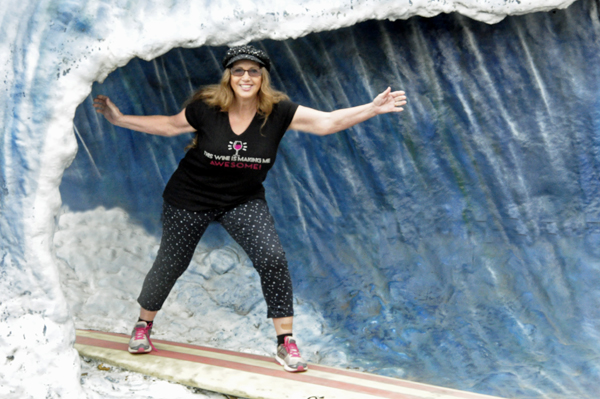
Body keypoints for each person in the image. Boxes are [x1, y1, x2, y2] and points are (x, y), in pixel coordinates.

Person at [93, 44, 407, 373]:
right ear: (228, 76)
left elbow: (326, 123)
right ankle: (144, 325)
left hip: (241, 200)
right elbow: (170, 125)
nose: (246, 76)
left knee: (272, 258)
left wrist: (371, 108)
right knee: (171, 262)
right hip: (190, 196)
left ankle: (285, 343)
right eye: (239, 70)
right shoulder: (207, 107)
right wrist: (119, 118)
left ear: (262, 77)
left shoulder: (278, 111)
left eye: (253, 71)